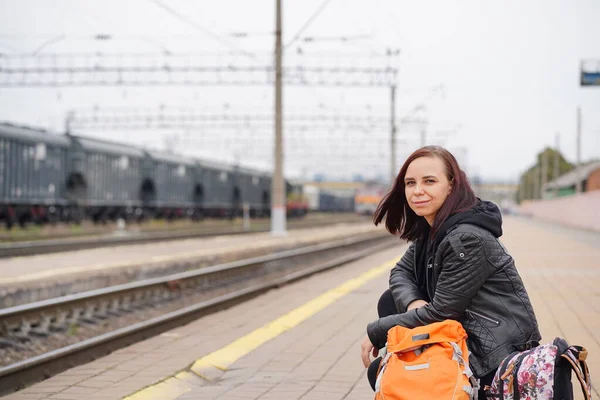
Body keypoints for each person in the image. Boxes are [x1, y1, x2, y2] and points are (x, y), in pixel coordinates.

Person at [360, 146, 541, 398]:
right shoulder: (433, 231)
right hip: (463, 336)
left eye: (429, 181)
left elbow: (442, 312)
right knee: (390, 301)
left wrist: (376, 331)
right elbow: (400, 271)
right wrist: (414, 303)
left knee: (387, 375)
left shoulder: (465, 238)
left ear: (451, 186)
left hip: (493, 354)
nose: (417, 190)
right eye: (410, 183)